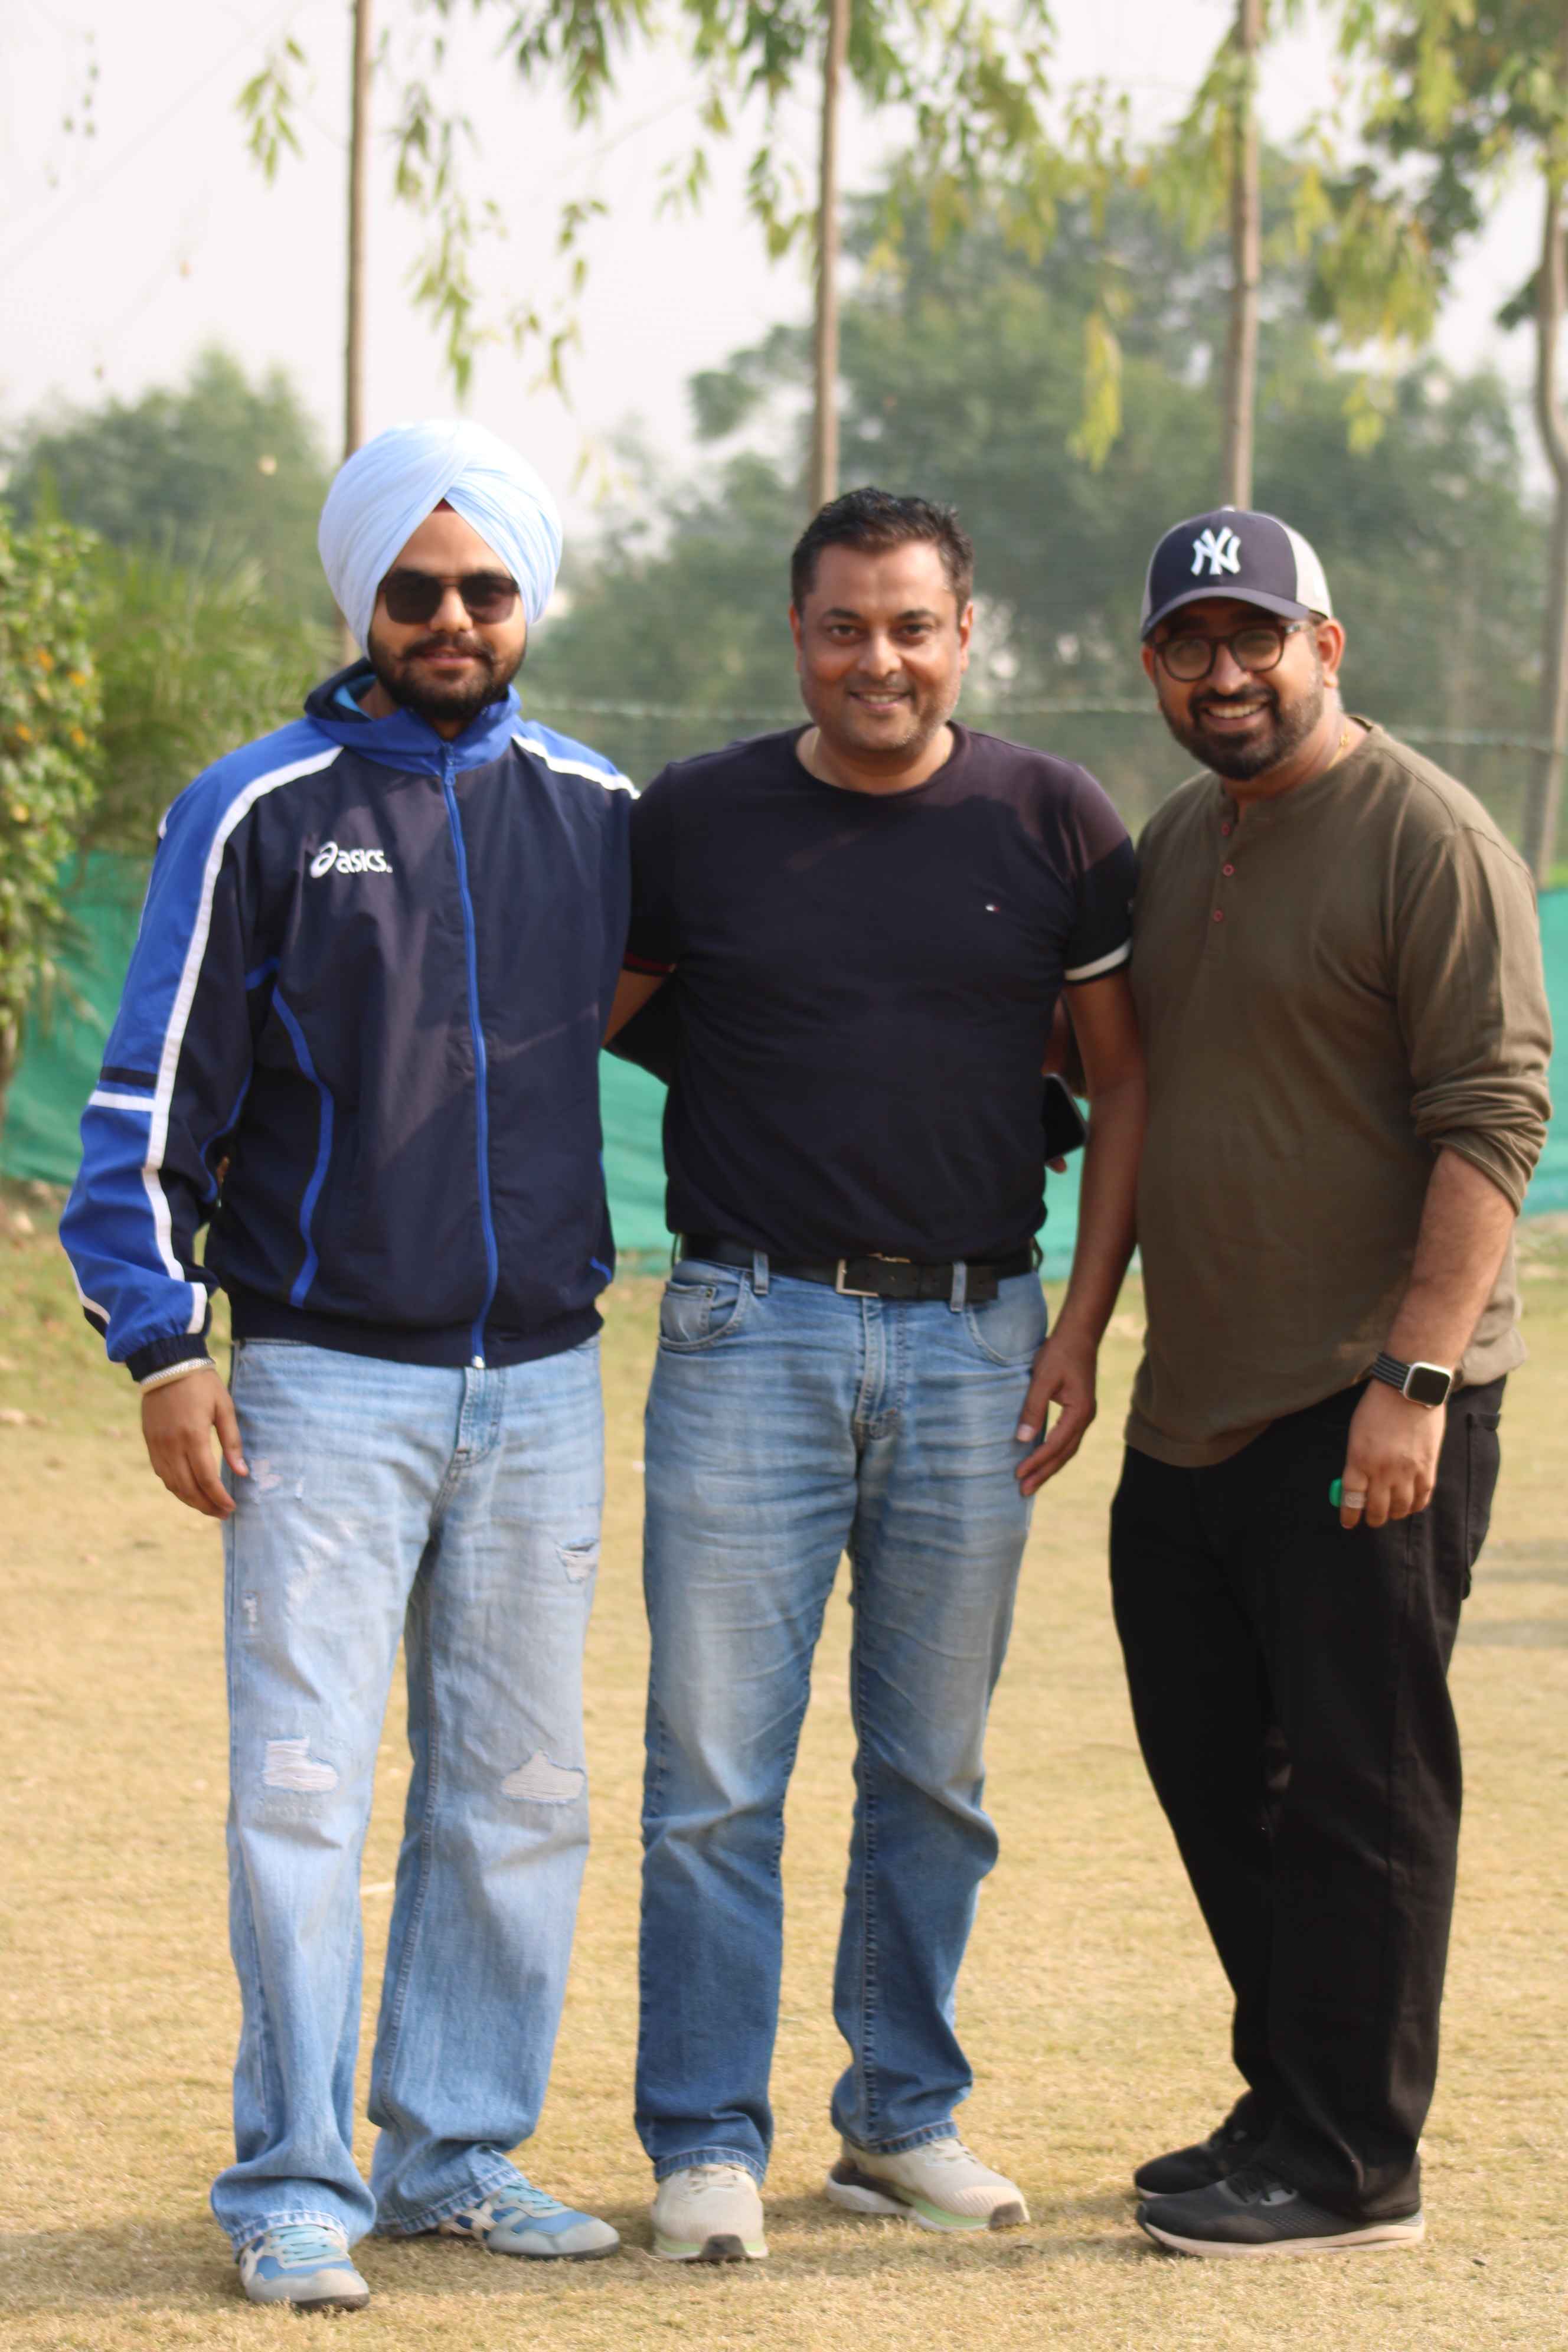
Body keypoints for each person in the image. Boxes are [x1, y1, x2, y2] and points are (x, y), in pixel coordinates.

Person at [59, 420, 633, 2311]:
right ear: (361, 598)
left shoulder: (596, 810)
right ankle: (295, 2181)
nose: (452, 618)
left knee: (518, 1791)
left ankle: (455, 2154)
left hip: (542, 1379)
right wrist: (164, 1347)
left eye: (486, 589)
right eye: (415, 588)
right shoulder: (259, 810)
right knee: (304, 1788)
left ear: (530, 602)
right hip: (320, 1376)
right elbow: (148, 1099)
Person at [606, 486, 1145, 2262]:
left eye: (913, 626)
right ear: (798, 635)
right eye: (844, 626)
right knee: (712, 1779)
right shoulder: (697, 820)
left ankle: (899, 2121)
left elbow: (1125, 1082)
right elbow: (591, 1018)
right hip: (745, 1329)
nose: (879, 660)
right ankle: (704, 2141)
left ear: (965, 634)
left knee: (932, 1775)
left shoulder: (1056, 818)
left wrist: (1078, 1328)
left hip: (979, 1337)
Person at [1113, 506, 1552, 2258]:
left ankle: (1356, 2162)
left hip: (1369, 1403)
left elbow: (1495, 1116)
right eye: (1189, 645)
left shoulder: (1429, 837)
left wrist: (1415, 1379)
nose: (1224, 672)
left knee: (1360, 1792)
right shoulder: (1177, 840)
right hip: (1195, 1404)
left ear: (1325, 645)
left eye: (1256, 637)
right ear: (1156, 667)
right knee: (1219, 1770)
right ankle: (1289, 2098)